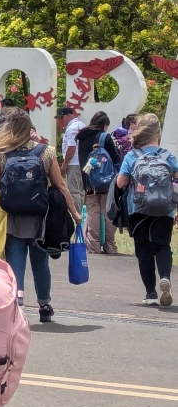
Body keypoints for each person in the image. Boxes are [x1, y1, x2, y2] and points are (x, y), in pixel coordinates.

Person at [0, 107, 79, 323]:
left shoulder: (0, 154)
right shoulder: (46, 152)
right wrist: (75, 213)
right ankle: (44, 304)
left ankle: (17, 303)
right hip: (40, 219)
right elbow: (60, 185)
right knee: (40, 262)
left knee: (15, 260)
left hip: (12, 217)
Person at [114, 113, 177, 306]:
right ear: (157, 132)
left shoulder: (133, 156)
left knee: (143, 250)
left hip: (138, 209)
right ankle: (164, 277)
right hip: (165, 209)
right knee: (163, 246)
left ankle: (150, 294)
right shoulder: (168, 156)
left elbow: (121, 182)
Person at [75, 111, 124, 255]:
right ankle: (110, 246)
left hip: (89, 181)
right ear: (104, 125)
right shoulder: (105, 137)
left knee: (92, 212)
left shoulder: (81, 137)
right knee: (107, 211)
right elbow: (115, 160)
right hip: (106, 181)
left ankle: (93, 246)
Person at [57, 104, 87, 217]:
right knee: (80, 191)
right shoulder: (82, 125)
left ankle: (78, 216)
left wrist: (64, 165)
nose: (60, 120)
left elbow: (71, 148)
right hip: (82, 162)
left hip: (74, 163)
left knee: (74, 191)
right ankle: (83, 215)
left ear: (69, 115)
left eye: (62, 117)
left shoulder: (71, 128)